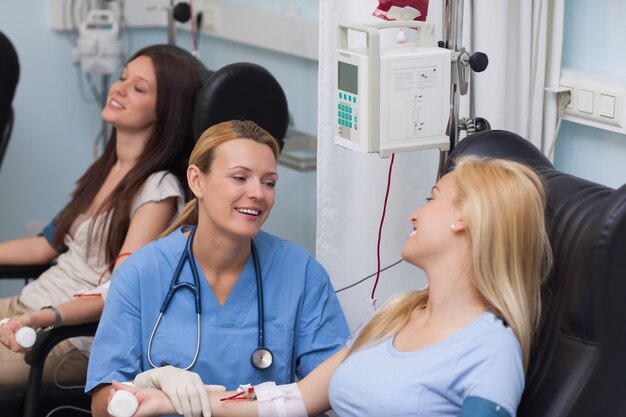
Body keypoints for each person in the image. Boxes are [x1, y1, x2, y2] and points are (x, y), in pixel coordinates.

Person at [111, 155, 553, 417]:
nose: (416, 213)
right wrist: (173, 402)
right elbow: (294, 398)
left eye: (433, 197)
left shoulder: (489, 351)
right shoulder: (394, 316)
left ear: (466, 218)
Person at [87, 120, 350, 417]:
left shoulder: (299, 273)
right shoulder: (141, 273)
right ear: (197, 180)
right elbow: (100, 407)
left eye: (269, 182)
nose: (258, 194)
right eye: (240, 178)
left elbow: (334, 385)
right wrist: (151, 381)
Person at [0, 44, 203, 387]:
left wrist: (44, 318)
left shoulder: (157, 190)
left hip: (63, 338)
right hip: (25, 309)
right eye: (122, 78)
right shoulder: (107, 168)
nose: (118, 88)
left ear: (167, 110)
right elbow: (45, 246)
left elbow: (121, 288)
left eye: (138, 88)